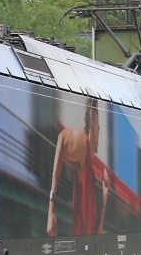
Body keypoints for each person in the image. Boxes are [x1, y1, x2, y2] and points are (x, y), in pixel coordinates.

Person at [47, 98, 110, 236]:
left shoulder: (91, 174)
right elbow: (62, 139)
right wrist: (51, 210)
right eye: (98, 123)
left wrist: (105, 198)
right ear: (93, 121)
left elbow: (96, 234)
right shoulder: (84, 145)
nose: (99, 130)